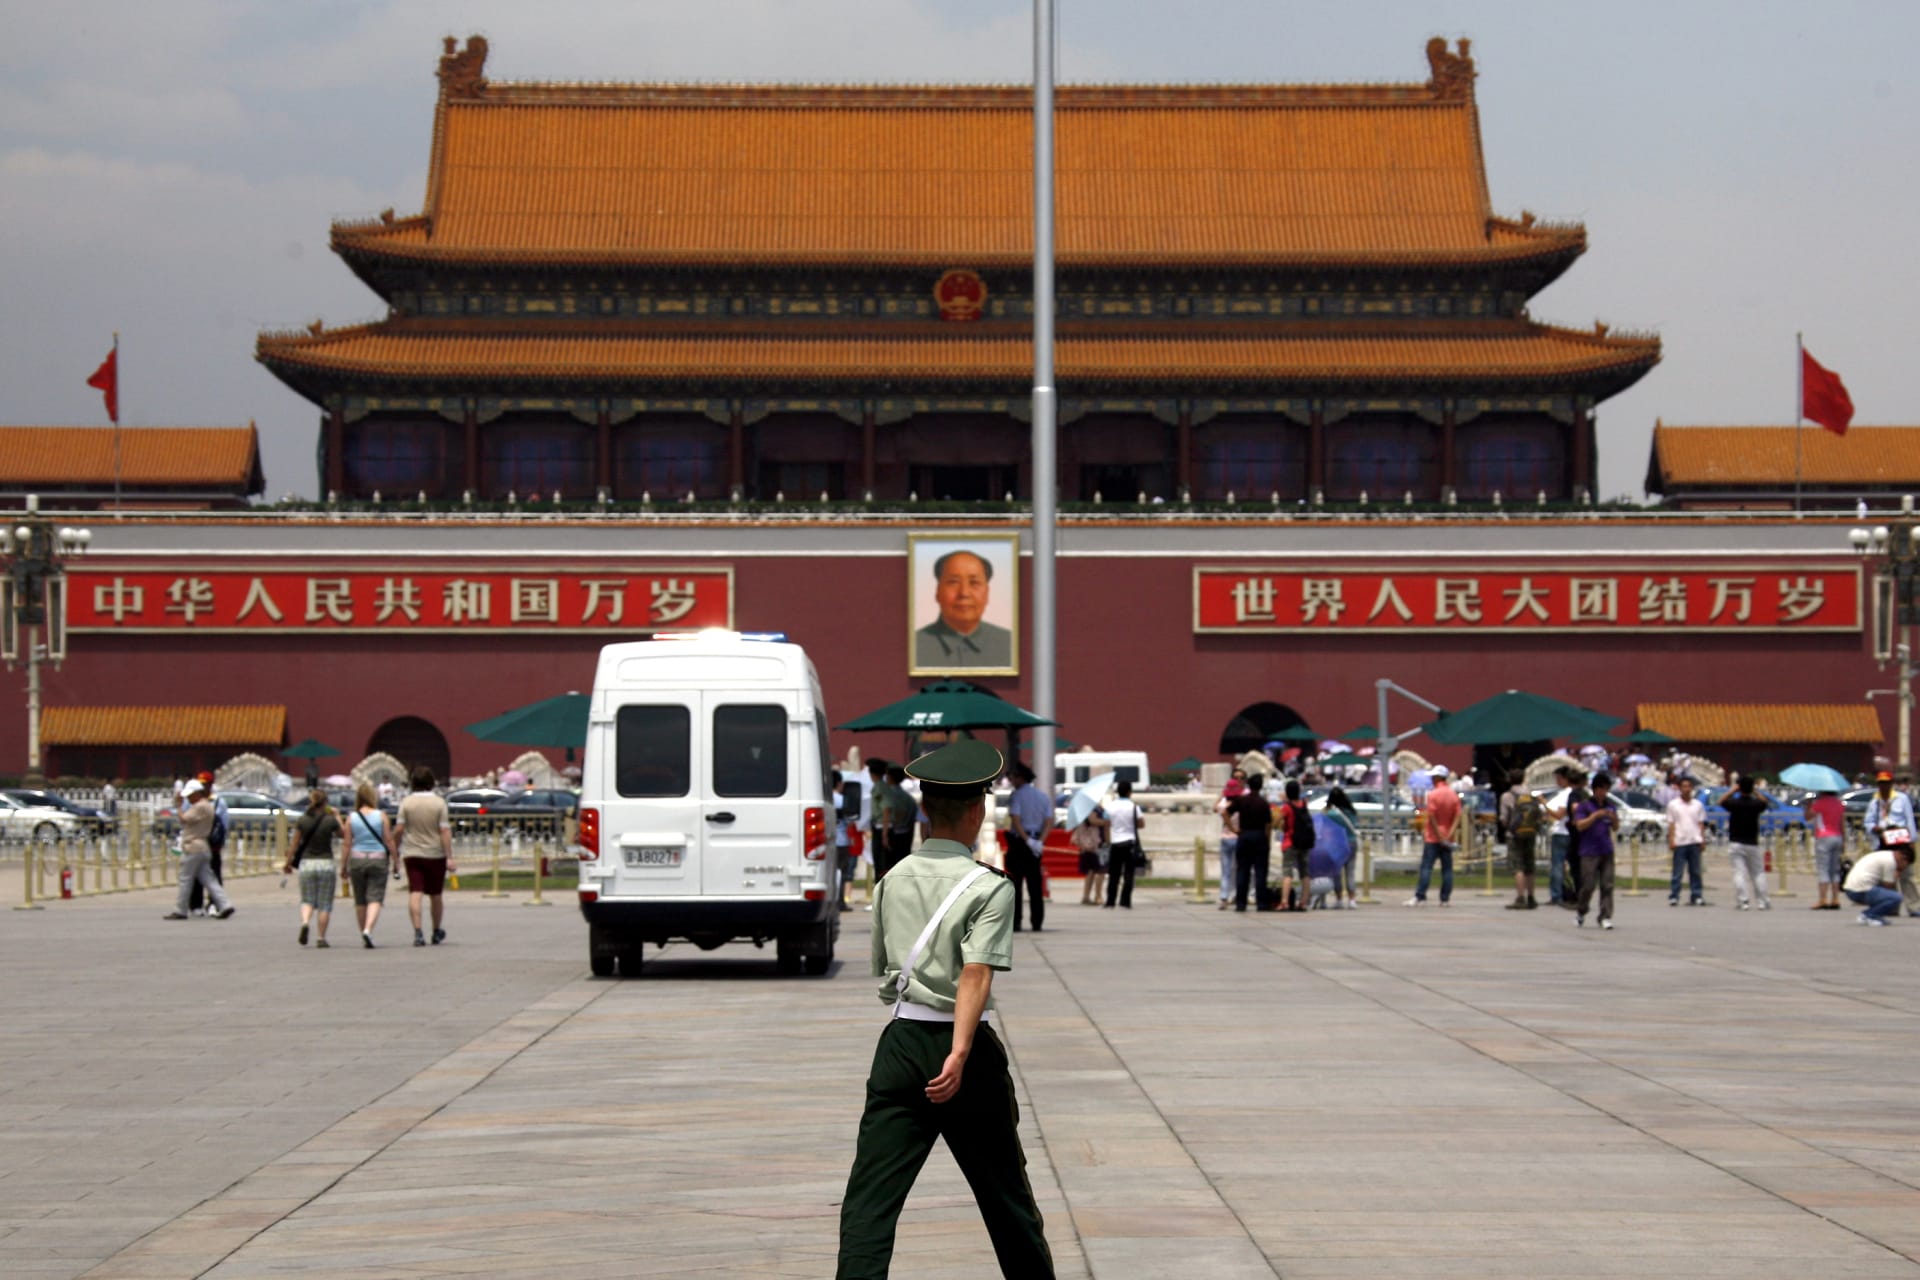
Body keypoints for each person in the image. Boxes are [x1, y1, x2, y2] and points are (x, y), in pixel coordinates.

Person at [835, 739, 1054, 1278]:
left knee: (870, 1201)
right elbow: (975, 972)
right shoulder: (989, 887)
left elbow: (885, 970)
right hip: (964, 1053)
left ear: (926, 809)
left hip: (902, 1041)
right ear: (978, 810)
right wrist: (958, 1053)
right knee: (1006, 1198)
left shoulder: (890, 881)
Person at [913, 549, 1014, 670]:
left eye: (974, 582)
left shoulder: (1012, 645)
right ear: (937, 592)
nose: (964, 593)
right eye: (953, 582)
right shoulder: (912, 646)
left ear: (987, 593)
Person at [392, 765, 455, 947]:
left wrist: (395, 849)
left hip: (412, 853)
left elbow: (400, 829)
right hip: (435, 854)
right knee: (435, 894)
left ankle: (418, 932)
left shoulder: (407, 802)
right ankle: (436, 931)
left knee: (415, 892)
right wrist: (449, 855)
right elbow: (444, 830)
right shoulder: (438, 803)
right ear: (431, 782)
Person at [162, 779, 234, 920]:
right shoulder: (207, 806)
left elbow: (184, 819)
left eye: (190, 795)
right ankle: (225, 904)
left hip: (193, 846)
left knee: (185, 878)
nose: (188, 798)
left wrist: (179, 806)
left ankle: (180, 909)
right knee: (209, 879)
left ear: (197, 793)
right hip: (203, 847)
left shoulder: (199, 806)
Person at [283, 788, 343, 947]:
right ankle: (321, 938)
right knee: (324, 903)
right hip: (326, 863)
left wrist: (288, 863)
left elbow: (294, 844)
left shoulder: (303, 820)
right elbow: (343, 834)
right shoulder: (330, 820)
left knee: (307, 900)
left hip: (307, 864)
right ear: (325, 803)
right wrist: (337, 816)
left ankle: (304, 922)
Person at [344, 782, 395, 947]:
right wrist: (396, 860)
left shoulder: (351, 817)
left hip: (357, 858)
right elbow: (388, 840)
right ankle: (368, 929)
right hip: (378, 858)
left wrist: (343, 866)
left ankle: (364, 933)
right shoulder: (381, 816)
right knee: (375, 897)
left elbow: (346, 844)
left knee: (360, 900)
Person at [1002, 763, 1051, 931]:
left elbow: (1016, 819)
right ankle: (1037, 922)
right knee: (1035, 884)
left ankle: (1016, 922)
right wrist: (1039, 841)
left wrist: (1026, 839)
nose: (1011, 780)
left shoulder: (1017, 796)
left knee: (1015, 884)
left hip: (1019, 842)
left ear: (1021, 778)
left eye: (1013, 777)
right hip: (1036, 841)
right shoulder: (1042, 796)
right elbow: (1049, 821)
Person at [1572, 772, 1621, 928]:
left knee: (1607, 884)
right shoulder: (1585, 806)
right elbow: (1579, 825)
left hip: (1606, 849)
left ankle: (1605, 915)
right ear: (1595, 789)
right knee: (1588, 885)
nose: (1603, 793)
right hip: (1589, 851)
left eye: (1606, 789)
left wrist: (1613, 818)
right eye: (1601, 789)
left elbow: (1615, 827)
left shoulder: (1610, 806)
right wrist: (1594, 816)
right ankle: (1581, 910)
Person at [1407, 764, 1459, 907]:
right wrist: (1449, 833)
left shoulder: (1433, 794)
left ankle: (1420, 896)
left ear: (1437, 778)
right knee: (1447, 869)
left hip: (1433, 837)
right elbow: (1457, 817)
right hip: (1448, 837)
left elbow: (1432, 817)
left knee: (1426, 868)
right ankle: (1445, 899)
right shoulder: (1453, 795)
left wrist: (1439, 835)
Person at [1841, 828, 1916, 926]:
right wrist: (1897, 874)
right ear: (1903, 859)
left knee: (1885, 894)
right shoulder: (1890, 861)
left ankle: (1873, 914)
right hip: (1859, 890)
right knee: (1896, 898)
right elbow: (1888, 885)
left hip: (1853, 888)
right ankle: (1869, 914)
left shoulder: (1885, 855)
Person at [1721, 774, 1772, 910]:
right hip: (1752, 842)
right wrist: (1754, 790)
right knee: (1758, 873)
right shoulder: (1755, 804)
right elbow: (1765, 802)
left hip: (1736, 841)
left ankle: (1743, 901)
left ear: (1740, 788)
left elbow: (1721, 801)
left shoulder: (1735, 803)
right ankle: (1763, 901)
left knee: (1739, 873)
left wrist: (1733, 790)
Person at [1227, 773, 1272, 912]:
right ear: (1260, 786)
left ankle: (1241, 904)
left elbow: (1225, 812)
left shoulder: (1242, 800)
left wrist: (1233, 829)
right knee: (1260, 872)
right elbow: (1268, 825)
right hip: (1259, 836)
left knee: (1243, 871)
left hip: (1244, 835)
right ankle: (1261, 903)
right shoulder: (1264, 803)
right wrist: (1268, 841)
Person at [187, 770, 229, 915]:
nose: (202, 788)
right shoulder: (191, 802)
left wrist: (221, 840)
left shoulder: (218, 802)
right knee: (196, 875)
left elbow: (224, 823)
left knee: (214, 874)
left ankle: (214, 904)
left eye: (204, 785)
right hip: (197, 843)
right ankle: (196, 905)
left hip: (212, 845)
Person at [1664, 775, 1708, 907]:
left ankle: (1697, 894)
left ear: (1692, 788)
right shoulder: (1673, 805)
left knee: (1695, 871)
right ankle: (1674, 895)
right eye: (1684, 786)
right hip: (1680, 841)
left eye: (1689, 786)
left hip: (1694, 840)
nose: (1686, 789)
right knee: (1677, 871)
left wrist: (1702, 839)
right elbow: (1671, 824)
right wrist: (1671, 839)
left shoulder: (1698, 805)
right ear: (1680, 788)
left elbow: (1701, 823)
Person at [1103, 780, 1145, 910]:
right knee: (1128, 874)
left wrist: (1108, 839)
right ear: (1129, 792)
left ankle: (1110, 901)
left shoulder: (1110, 806)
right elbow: (1141, 824)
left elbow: (1106, 822)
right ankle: (1125, 901)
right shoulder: (1134, 807)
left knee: (1113, 874)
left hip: (1115, 843)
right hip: (1129, 842)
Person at [1543, 766, 1580, 908]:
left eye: (1558, 778)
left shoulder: (1567, 795)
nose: (1557, 782)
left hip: (1562, 832)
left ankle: (1557, 894)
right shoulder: (1569, 793)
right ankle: (1568, 892)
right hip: (1566, 832)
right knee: (1568, 865)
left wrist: (1543, 803)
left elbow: (1559, 814)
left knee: (1558, 865)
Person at [1503, 779, 1542, 910]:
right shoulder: (1530, 794)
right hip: (1530, 833)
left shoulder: (1507, 796)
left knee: (1517, 866)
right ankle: (1531, 897)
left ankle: (1520, 897)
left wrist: (1508, 826)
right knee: (1529, 866)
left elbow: (1504, 817)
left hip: (1514, 834)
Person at [1276, 779, 1314, 911]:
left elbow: (1277, 821)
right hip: (1304, 843)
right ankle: (1303, 902)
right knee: (1305, 873)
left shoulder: (1287, 807)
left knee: (1287, 872)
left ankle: (1285, 901)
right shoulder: (1304, 804)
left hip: (1290, 842)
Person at [1807, 787, 1847, 910]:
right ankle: (1835, 898)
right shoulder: (1839, 803)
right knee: (1834, 869)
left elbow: (1808, 817)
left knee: (1823, 869)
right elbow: (1842, 822)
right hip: (1837, 836)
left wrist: (1807, 805)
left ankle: (1823, 899)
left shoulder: (1819, 803)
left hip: (1824, 836)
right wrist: (1844, 840)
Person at [1324, 786, 1361, 908]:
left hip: (1337, 844)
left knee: (1337, 873)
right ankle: (1352, 900)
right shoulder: (1351, 812)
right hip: (1352, 842)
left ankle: (1339, 899)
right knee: (1350, 872)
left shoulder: (1331, 814)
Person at [1214, 775, 1246, 911]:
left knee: (1225, 871)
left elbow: (1214, 808)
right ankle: (1238, 895)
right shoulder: (1242, 803)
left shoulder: (1223, 804)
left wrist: (1222, 795)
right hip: (1238, 837)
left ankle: (1224, 897)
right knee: (1239, 869)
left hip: (1225, 838)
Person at [1864, 771, 1914, 849]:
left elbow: (1910, 820)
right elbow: (1868, 822)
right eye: (1881, 783)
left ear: (1891, 783)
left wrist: (1912, 840)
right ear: (1878, 784)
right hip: (1881, 838)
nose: (1884, 785)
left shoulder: (1902, 798)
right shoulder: (1874, 802)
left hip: (1899, 838)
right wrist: (1874, 828)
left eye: (1886, 782)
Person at [1074, 802, 1110, 905]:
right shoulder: (1093, 808)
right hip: (1096, 844)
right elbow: (1092, 820)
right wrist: (1106, 822)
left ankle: (1087, 895)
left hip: (1093, 844)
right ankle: (1097, 896)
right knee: (1100, 871)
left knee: (1092, 871)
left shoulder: (1090, 808)